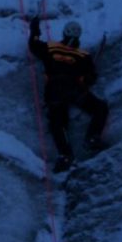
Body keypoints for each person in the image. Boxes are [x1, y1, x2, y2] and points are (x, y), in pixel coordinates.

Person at [27, 17, 109, 173]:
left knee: (58, 123)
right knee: (100, 107)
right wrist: (86, 78)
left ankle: (65, 155)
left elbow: (33, 45)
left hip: (55, 90)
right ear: (79, 36)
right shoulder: (84, 55)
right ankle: (92, 138)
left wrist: (35, 28)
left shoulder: (51, 48)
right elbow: (91, 78)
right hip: (74, 89)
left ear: (64, 33)